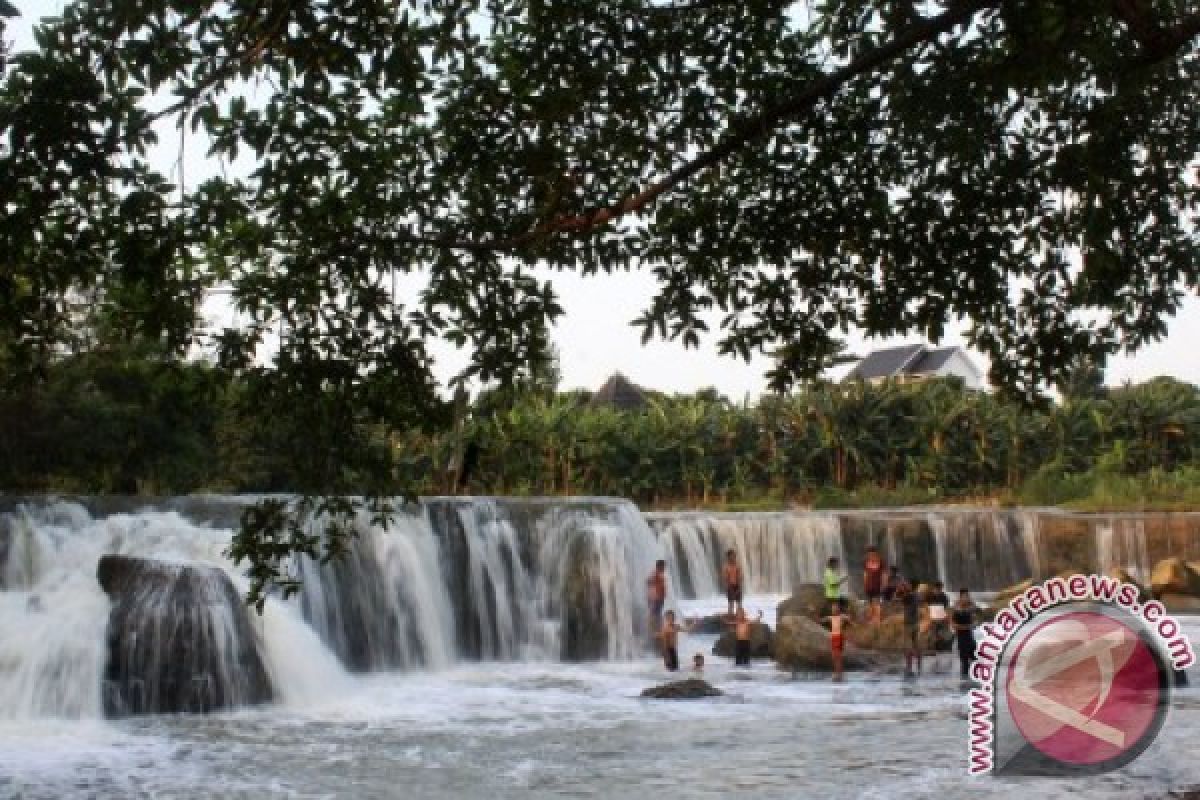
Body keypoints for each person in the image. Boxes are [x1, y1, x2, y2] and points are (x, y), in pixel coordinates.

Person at [952, 588, 979, 681]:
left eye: (967, 596)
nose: (966, 598)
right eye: (964, 596)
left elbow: (976, 619)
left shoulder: (971, 607)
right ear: (960, 597)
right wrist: (967, 626)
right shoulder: (956, 609)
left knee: (974, 656)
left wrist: (973, 624)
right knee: (964, 660)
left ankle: (974, 678)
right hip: (961, 637)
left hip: (969, 636)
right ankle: (964, 679)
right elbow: (954, 624)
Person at [926, 581, 953, 672]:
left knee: (945, 635)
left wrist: (948, 618)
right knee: (934, 635)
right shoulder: (930, 596)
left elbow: (946, 608)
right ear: (935, 588)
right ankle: (935, 652)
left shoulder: (944, 596)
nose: (939, 590)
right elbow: (927, 607)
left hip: (942, 618)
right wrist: (928, 618)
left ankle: (947, 650)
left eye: (940, 589)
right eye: (938, 588)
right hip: (933, 618)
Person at [823, 598, 852, 682]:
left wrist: (847, 620)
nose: (834, 610)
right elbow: (820, 620)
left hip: (838, 637)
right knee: (835, 656)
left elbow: (849, 621)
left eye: (835, 608)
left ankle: (839, 674)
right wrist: (812, 611)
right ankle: (838, 673)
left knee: (837, 656)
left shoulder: (841, 617)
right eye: (833, 609)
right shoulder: (830, 617)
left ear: (838, 609)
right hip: (834, 637)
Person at [899, 580, 922, 678]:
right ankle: (919, 665)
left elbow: (896, 598)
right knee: (916, 643)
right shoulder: (917, 595)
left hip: (908, 623)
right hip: (916, 623)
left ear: (911, 586)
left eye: (908, 584)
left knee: (907, 645)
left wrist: (902, 589)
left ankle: (909, 667)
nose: (906, 586)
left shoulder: (908, 596)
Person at [863, 545, 885, 624]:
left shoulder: (880, 561)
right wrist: (865, 584)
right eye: (869, 553)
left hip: (877, 585)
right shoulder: (866, 561)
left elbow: (883, 574)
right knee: (870, 603)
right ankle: (873, 619)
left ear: (875, 552)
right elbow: (865, 574)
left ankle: (878, 619)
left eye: (871, 553)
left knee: (876, 602)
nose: (870, 555)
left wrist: (883, 585)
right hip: (869, 586)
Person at [646, 560, 667, 637]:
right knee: (654, 615)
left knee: (658, 614)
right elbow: (648, 581)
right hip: (656, 598)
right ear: (659, 566)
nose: (665, 568)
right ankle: (652, 632)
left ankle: (659, 630)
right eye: (664, 566)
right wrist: (652, 594)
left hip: (659, 598)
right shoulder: (655, 573)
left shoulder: (659, 574)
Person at [722, 549, 744, 616]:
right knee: (731, 604)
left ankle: (739, 617)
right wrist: (729, 589)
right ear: (728, 557)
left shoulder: (738, 566)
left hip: (737, 586)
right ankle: (730, 617)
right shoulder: (726, 567)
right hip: (730, 587)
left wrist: (739, 588)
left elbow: (740, 577)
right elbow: (725, 579)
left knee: (739, 603)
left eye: (734, 556)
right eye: (731, 556)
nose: (733, 558)